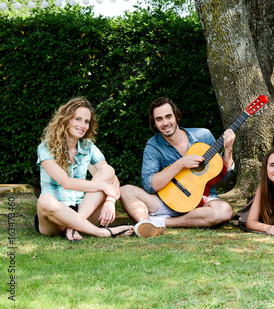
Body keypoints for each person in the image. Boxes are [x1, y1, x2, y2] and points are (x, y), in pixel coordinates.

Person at [120, 97, 235, 238]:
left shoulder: (204, 136)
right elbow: (149, 185)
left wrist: (228, 150)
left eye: (168, 116)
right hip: (168, 201)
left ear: (177, 117)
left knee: (224, 211)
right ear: (154, 124)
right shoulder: (153, 146)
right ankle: (145, 223)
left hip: (202, 201)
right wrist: (180, 164)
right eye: (159, 119)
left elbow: (224, 177)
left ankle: (161, 222)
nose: (165, 123)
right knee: (125, 191)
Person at [35, 97, 134, 242]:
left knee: (108, 170)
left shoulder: (88, 147)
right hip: (55, 216)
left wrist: (110, 201)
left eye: (86, 121)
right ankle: (102, 233)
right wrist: (101, 186)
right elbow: (66, 182)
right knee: (44, 200)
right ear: (66, 119)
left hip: (83, 210)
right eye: (78, 119)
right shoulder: (45, 148)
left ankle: (74, 227)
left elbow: (111, 177)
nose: (83, 125)